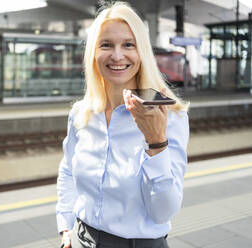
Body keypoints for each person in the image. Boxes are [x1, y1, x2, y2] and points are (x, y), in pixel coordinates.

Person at [56, 1, 189, 248]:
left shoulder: (169, 116)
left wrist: (156, 142)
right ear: (93, 53)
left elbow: (164, 212)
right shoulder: (81, 113)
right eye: (106, 44)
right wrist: (65, 225)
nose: (117, 55)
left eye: (129, 44)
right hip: (81, 238)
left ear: (142, 51)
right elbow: (67, 170)